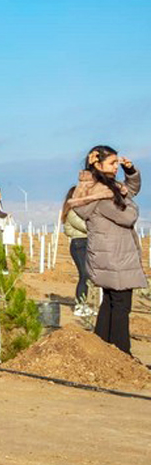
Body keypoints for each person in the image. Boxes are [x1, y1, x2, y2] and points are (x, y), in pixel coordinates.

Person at [69, 146, 144, 355]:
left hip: (106, 254)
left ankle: (102, 350)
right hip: (116, 255)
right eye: (112, 164)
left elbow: (130, 190)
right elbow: (127, 215)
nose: (116, 168)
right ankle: (121, 353)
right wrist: (131, 205)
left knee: (110, 301)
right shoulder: (101, 194)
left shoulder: (97, 189)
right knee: (121, 306)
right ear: (98, 165)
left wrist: (131, 172)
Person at [61, 187, 93, 317]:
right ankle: (80, 306)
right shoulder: (73, 212)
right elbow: (86, 226)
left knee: (87, 276)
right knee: (84, 275)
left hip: (84, 243)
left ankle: (83, 304)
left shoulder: (78, 211)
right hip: (79, 245)